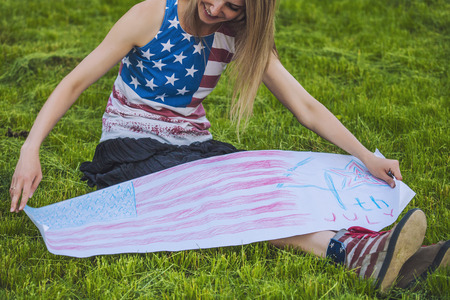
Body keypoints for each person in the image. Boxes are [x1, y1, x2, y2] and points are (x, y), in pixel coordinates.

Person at [8, 0, 448, 292]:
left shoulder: (237, 33)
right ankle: (352, 253)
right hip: (131, 147)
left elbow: (306, 107)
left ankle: (384, 251)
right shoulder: (150, 15)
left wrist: (366, 156)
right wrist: (31, 147)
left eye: (232, 5)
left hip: (194, 146)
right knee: (224, 197)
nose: (215, 7)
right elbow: (75, 82)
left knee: (269, 180)